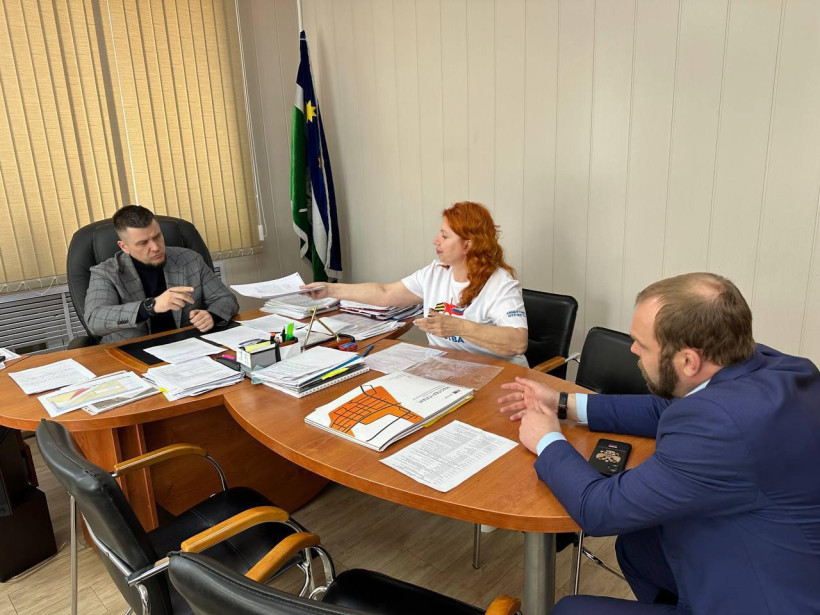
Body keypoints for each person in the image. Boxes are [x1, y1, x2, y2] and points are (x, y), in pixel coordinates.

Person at [498, 273, 820, 614]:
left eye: (643, 344)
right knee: (638, 546)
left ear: (688, 361)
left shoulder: (722, 429)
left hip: (767, 600)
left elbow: (600, 510)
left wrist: (547, 439)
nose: (633, 349)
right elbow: (670, 408)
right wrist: (564, 403)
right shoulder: (774, 367)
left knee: (569, 610)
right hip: (776, 555)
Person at [303, 201, 529, 365]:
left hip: (500, 377)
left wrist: (459, 327)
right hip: (450, 369)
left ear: (468, 245)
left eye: (445, 236)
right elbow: (385, 293)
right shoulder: (436, 272)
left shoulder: (500, 283)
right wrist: (330, 289)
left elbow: (518, 342)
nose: (435, 240)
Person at [84, 206, 239, 344]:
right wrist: (151, 306)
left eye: (157, 237)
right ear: (124, 246)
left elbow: (225, 299)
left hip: (187, 346)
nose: (155, 247)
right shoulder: (106, 273)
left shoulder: (190, 259)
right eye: (143, 243)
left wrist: (211, 316)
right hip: (132, 352)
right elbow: (95, 319)